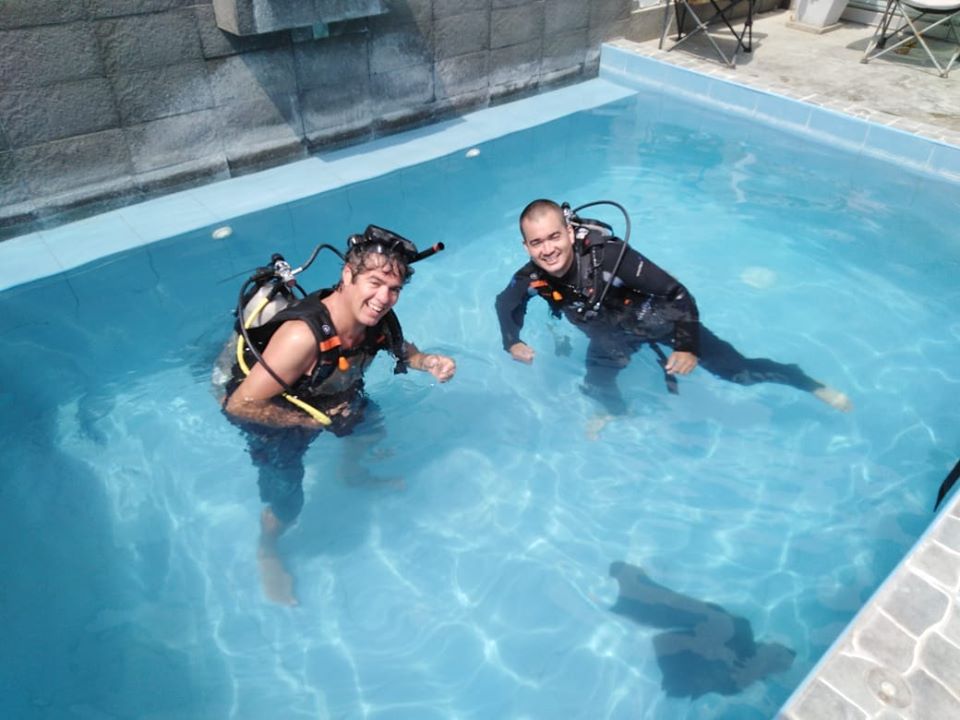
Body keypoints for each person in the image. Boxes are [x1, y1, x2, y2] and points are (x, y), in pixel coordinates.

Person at [219, 226, 455, 605]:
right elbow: (240, 405)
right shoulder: (302, 337)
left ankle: (352, 473)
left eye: (394, 289)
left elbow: (401, 349)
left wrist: (427, 361)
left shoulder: (377, 321)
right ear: (348, 275)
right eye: (375, 283)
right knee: (287, 502)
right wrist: (305, 423)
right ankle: (269, 549)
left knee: (370, 426)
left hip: (329, 399)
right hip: (276, 413)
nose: (383, 298)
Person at [495, 199, 850, 429]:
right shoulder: (532, 276)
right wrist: (513, 341)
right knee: (597, 385)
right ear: (526, 246)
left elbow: (677, 293)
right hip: (609, 336)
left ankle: (803, 380)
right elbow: (505, 303)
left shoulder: (611, 256)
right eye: (536, 242)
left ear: (570, 233)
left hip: (657, 318)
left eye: (554, 237)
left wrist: (686, 345)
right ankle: (614, 414)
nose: (547, 249)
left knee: (738, 373)